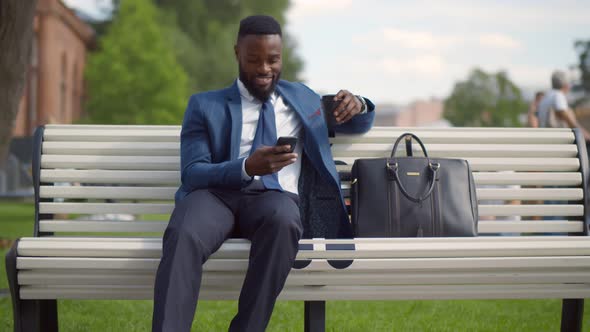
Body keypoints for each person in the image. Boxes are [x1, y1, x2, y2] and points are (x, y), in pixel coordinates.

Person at [151, 15, 375, 332]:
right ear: (237, 54)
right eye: (254, 60)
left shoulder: (303, 99)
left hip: (274, 200)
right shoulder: (204, 105)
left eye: (273, 59)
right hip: (215, 197)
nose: (264, 69)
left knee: (285, 221)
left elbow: (356, 122)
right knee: (183, 232)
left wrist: (360, 104)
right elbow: (193, 173)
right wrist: (245, 167)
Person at [537, 70, 590, 139]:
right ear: (565, 84)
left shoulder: (547, 96)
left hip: (545, 137)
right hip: (556, 140)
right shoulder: (558, 96)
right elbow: (568, 120)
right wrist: (586, 135)